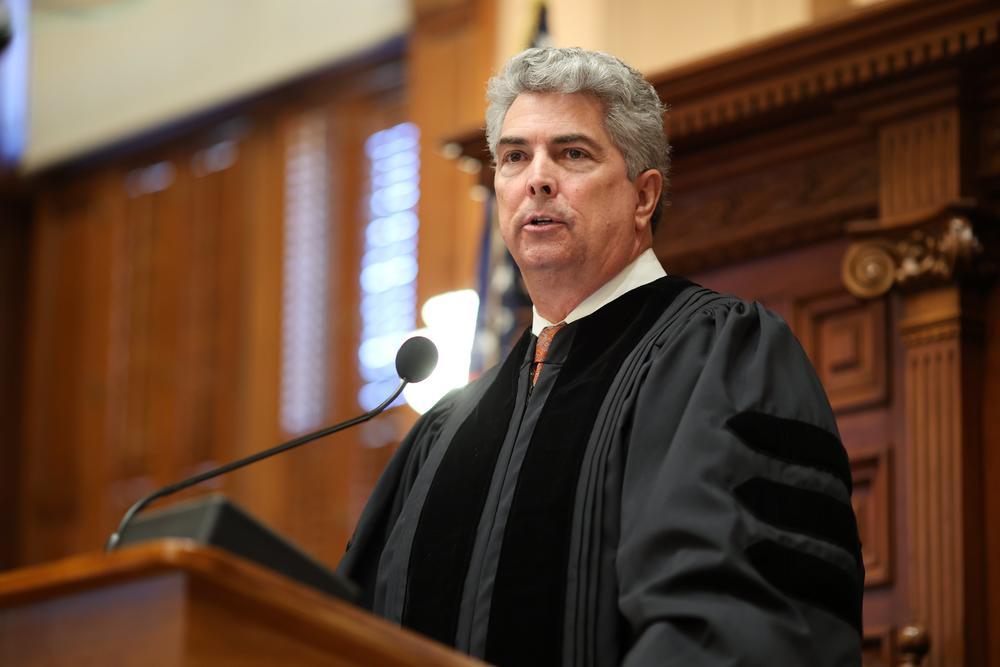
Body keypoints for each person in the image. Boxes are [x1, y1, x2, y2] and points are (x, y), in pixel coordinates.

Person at [337, 47, 864, 666]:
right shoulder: (445, 431)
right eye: (513, 157)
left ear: (643, 197)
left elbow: (740, 621)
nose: (536, 177)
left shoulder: (720, 357)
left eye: (572, 153)